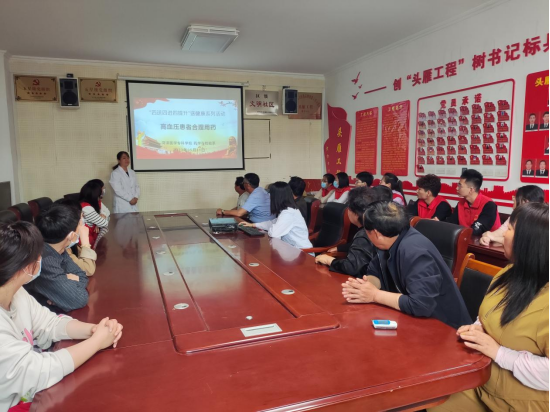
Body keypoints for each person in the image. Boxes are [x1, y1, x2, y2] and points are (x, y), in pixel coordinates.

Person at [429, 203, 549, 412]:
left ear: (529, 241)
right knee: (431, 399)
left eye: (509, 229)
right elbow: (487, 315)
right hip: (482, 382)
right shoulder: (508, 273)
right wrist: (478, 329)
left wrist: (499, 353)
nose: (503, 235)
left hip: (522, 402)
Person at [0, 222, 123, 412]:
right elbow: (39, 371)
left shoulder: (17, 293)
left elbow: (49, 323)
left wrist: (93, 330)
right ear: (24, 267)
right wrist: (97, 342)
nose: (41, 259)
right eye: (38, 256)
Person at [342, 201, 471, 329]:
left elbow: (421, 304)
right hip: (409, 319)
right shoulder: (390, 239)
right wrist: (365, 288)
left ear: (376, 233)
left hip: (445, 328)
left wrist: (374, 295)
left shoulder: (414, 251)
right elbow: (375, 271)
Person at [24, 204, 90, 313]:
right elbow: (80, 298)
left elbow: (82, 276)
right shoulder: (45, 260)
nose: (83, 227)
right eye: (80, 225)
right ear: (71, 236)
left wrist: (65, 282)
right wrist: (68, 280)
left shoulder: (58, 248)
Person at [316, 186, 390, 277]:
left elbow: (351, 268)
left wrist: (329, 260)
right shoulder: (377, 226)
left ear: (355, 214)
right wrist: (341, 248)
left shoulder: (364, 234)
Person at [239, 182, 312, 250]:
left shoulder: (288, 213)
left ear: (277, 197)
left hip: (302, 252)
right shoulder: (286, 210)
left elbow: (274, 233)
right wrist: (253, 225)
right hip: (291, 250)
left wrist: (272, 228)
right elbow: (273, 223)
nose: (269, 197)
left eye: (271, 194)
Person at [480, 185, 545, 246]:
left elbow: (521, 243)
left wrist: (494, 238)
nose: (514, 199)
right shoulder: (515, 215)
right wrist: (487, 237)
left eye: (516, 197)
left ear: (525, 202)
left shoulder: (540, 220)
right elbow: (501, 231)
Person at [447, 169, 501, 236]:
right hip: (465, 238)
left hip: (486, 241)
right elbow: (451, 223)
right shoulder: (461, 203)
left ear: (471, 190)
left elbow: (478, 230)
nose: (457, 188)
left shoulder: (489, 205)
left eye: (460, 186)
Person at [53, 199, 97, 277]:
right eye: (81, 217)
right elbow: (88, 269)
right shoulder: (61, 248)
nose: (83, 221)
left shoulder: (68, 242)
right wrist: (85, 243)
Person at [79, 180, 109, 249]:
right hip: (86, 242)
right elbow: (105, 223)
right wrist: (100, 220)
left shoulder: (91, 204)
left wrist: (100, 219)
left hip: (92, 239)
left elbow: (107, 212)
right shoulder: (87, 208)